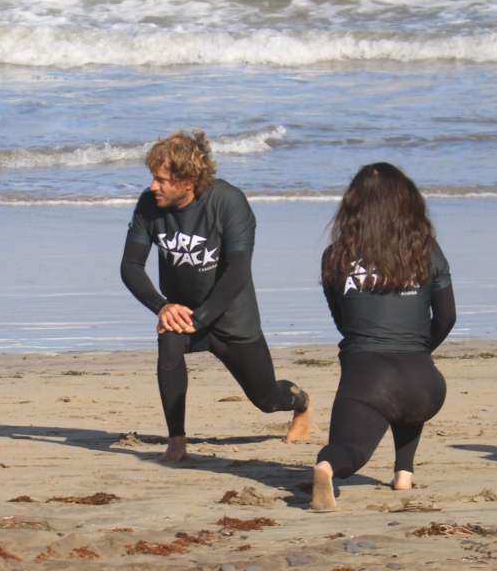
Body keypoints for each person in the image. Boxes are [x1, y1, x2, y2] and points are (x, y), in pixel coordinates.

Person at [119, 130, 310, 463]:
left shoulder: (228, 203)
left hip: (232, 316)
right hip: (183, 310)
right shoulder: (149, 205)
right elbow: (130, 266)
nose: (153, 186)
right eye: (153, 178)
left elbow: (238, 272)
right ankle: (177, 441)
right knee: (168, 340)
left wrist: (202, 317)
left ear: (188, 180)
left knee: (265, 398)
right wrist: (162, 307)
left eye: (162, 180)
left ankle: (301, 402)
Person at [311, 163, 454, 511]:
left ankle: (327, 468)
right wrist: (418, 350)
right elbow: (447, 317)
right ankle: (403, 472)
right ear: (406, 202)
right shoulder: (427, 250)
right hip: (425, 384)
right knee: (407, 402)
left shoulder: (335, 256)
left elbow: (344, 323)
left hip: (367, 380)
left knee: (348, 450)